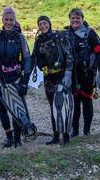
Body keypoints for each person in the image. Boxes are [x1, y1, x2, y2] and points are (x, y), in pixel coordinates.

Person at [0, 6, 33, 147]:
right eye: (6, 19)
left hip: (16, 77)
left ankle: (18, 140)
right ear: (2, 19)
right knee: (3, 108)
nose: (8, 22)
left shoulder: (20, 37)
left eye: (11, 20)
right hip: (1, 78)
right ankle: (9, 137)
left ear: (15, 20)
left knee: (17, 107)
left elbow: (27, 59)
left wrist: (25, 81)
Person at [32, 15, 73, 145]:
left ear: (49, 23)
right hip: (48, 77)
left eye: (45, 23)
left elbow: (69, 55)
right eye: (40, 24)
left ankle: (66, 136)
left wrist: (68, 73)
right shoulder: (38, 40)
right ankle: (56, 136)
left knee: (62, 106)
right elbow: (34, 58)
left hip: (61, 75)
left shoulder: (59, 36)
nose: (43, 26)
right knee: (52, 107)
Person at [64, 8, 100, 136]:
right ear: (69, 19)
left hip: (88, 74)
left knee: (87, 101)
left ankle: (86, 132)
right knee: (74, 103)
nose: (75, 20)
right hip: (72, 75)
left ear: (82, 19)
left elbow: (99, 54)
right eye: (73, 18)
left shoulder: (90, 33)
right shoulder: (66, 34)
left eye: (78, 18)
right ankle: (75, 131)